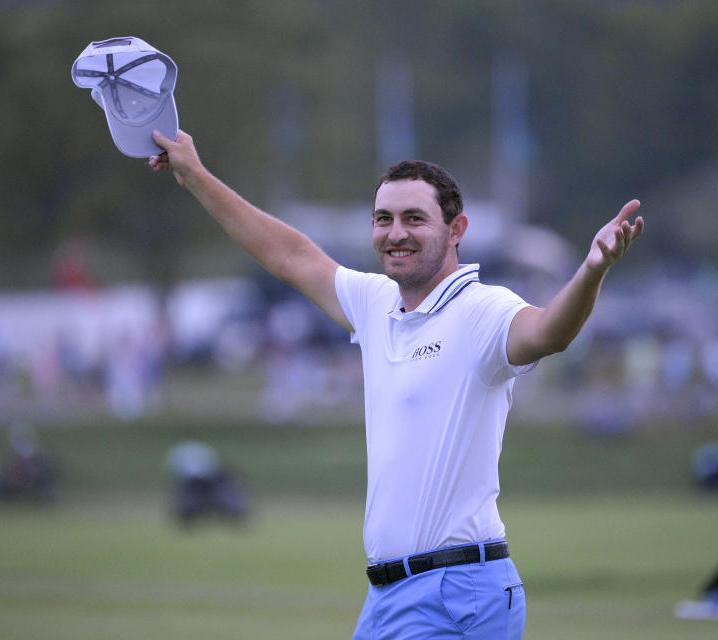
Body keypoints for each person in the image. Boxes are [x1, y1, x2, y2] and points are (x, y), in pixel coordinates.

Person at [150, 128, 643, 639]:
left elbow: (548, 332)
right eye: (383, 219)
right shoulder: (376, 302)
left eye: (414, 219)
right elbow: (289, 255)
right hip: (387, 597)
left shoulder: (481, 310)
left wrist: (591, 271)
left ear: (457, 230)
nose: (395, 232)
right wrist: (195, 176)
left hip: (457, 592)